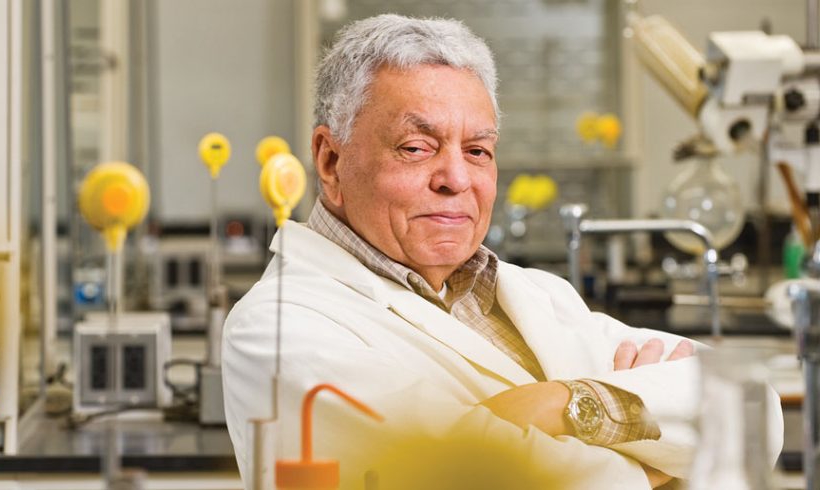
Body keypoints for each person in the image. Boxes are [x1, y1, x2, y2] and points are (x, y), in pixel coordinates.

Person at [222, 14, 782, 490]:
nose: (456, 178)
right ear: (329, 161)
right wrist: (657, 459)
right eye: (416, 148)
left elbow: (753, 410)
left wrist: (562, 404)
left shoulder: (539, 295)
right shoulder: (277, 329)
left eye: (478, 150)